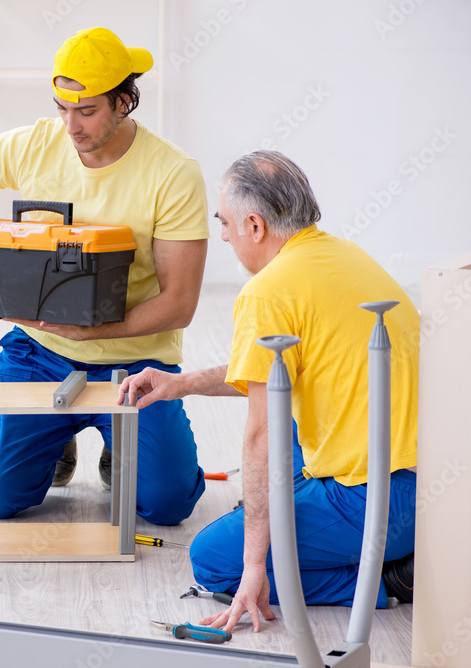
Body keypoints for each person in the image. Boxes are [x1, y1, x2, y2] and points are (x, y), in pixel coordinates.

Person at [0, 27, 210, 525]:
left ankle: (118, 439)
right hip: (41, 353)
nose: (71, 126)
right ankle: (58, 433)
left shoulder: (172, 174)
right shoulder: (35, 145)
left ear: (124, 101)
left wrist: (92, 331)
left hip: (135, 366)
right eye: (62, 108)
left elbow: (180, 304)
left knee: (168, 505)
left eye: (87, 110)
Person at [119, 150, 418, 634]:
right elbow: (273, 373)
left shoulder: (267, 291)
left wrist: (254, 565)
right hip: (434, 490)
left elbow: (261, 439)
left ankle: (393, 578)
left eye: (226, 224)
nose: (224, 237)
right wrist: (184, 384)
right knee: (293, 443)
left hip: (379, 506)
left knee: (214, 558)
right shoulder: (343, 255)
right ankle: (361, 545)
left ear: (254, 226)